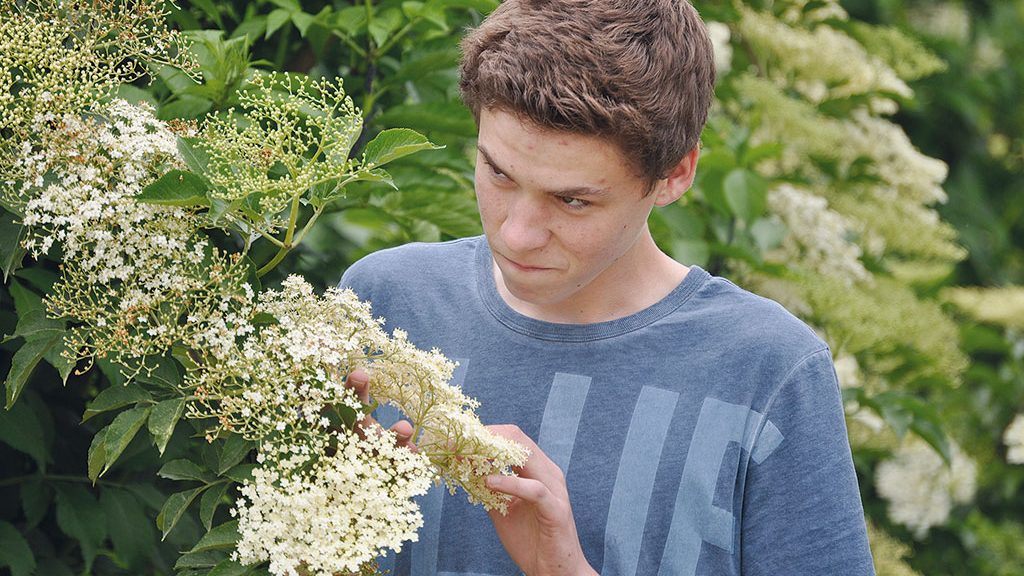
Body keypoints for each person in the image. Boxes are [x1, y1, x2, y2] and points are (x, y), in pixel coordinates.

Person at [340, 0, 876, 574]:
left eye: (573, 200)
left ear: (675, 175)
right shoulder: (382, 301)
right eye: (498, 172)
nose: (518, 235)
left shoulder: (768, 371)